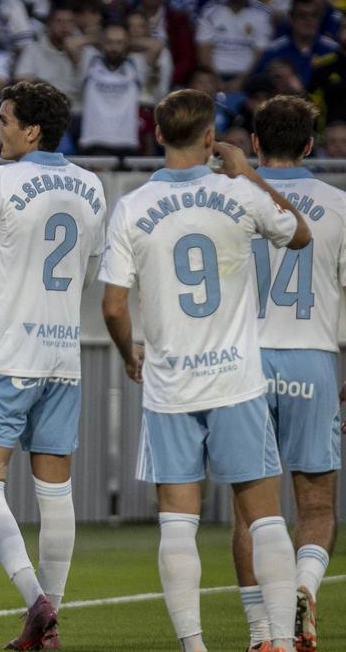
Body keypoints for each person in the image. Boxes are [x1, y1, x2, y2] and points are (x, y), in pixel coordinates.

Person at [99, 88, 310, 652]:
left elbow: (114, 306)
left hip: (170, 385)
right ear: (212, 138)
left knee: (177, 523)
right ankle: (281, 646)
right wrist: (250, 175)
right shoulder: (237, 193)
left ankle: (194, 647)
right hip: (236, 382)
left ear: (159, 134)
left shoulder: (132, 206)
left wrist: (128, 355)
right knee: (265, 518)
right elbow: (300, 235)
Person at [0, 81, 105, 649]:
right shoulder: (92, 186)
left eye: (4, 119)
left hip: (6, 355)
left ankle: (33, 599)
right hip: (63, 356)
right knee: (55, 495)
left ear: (31, 129)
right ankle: (52, 623)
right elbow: (89, 275)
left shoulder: (2, 179)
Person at [232, 95, 344, 652]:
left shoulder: (231, 199)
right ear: (309, 144)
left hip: (244, 362)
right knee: (318, 504)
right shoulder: (340, 206)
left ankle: (260, 635)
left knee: (250, 510)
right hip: (311, 359)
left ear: (254, 143)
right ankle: (303, 587)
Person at [196, 0, 274, 92]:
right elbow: (204, 51)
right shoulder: (209, 10)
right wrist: (216, 80)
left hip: (250, 76)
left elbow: (260, 53)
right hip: (215, 76)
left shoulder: (262, 12)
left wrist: (242, 80)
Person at [78, 23, 144, 156]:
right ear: (101, 43)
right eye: (109, 42)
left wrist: (131, 40)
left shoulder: (136, 63)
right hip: (93, 140)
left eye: (119, 42)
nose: (114, 47)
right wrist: (97, 38)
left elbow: (157, 46)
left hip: (126, 141)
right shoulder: (89, 60)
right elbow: (70, 44)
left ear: (127, 43)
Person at [254, 0, 340, 90]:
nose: (309, 20)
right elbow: (260, 88)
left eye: (314, 15)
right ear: (291, 19)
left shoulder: (333, 50)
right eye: (302, 16)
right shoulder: (273, 51)